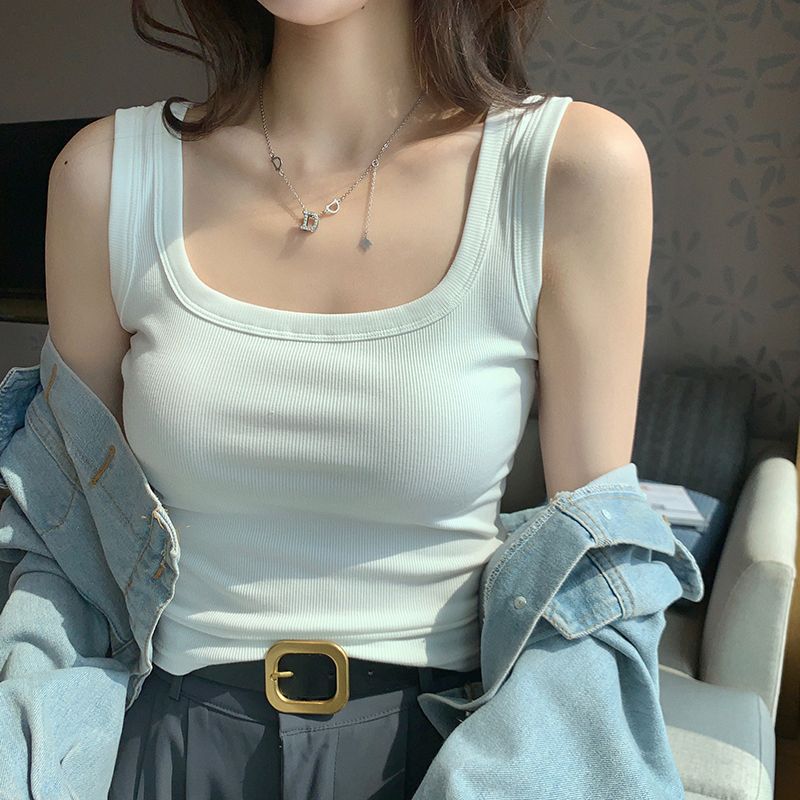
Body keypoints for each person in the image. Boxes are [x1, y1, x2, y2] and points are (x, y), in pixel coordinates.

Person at [43, 0, 653, 797]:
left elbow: (591, 575)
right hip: (168, 747)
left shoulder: (568, 170)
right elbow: (66, 550)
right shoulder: (106, 177)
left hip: (449, 759)